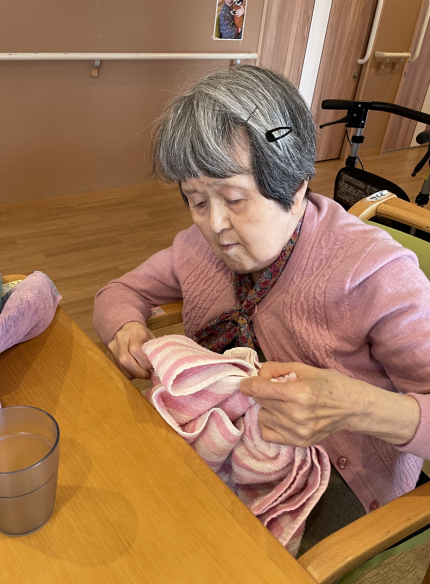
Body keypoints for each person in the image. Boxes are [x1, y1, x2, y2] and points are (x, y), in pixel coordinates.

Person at [93, 66, 430, 552]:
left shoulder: (373, 273)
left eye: (234, 199)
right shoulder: (197, 251)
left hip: (343, 472)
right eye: (196, 201)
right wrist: (126, 327)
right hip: (227, 430)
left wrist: (354, 405)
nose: (214, 225)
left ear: (294, 186)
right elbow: (119, 291)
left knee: (217, 561)